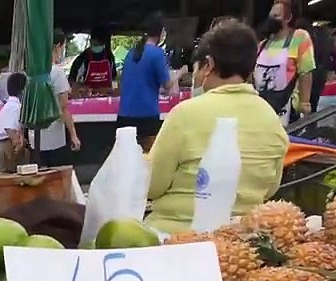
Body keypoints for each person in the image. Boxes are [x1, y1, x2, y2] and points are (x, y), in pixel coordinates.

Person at [145, 19, 288, 233]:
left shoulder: (186, 113)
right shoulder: (271, 119)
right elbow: (269, 189)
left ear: (209, 65)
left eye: (197, 68)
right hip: (245, 238)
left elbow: (153, 186)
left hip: (176, 235)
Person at [118, 15, 177, 151]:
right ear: (161, 33)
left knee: (126, 157)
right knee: (148, 157)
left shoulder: (131, 53)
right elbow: (167, 85)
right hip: (146, 115)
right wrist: (180, 73)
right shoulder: (157, 54)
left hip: (124, 115)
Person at [256, 0, 316, 121]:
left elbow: (306, 72)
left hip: (287, 109)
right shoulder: (263, 45)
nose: (271, 19)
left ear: (288, 18)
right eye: (270, 16)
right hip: (261, 108)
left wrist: (304, 104)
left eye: (276, 16)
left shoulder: (299, 37)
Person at [38, 29, 82, 167]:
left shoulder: (32, 72)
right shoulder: (56, 73)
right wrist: (73, 135)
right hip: (54, 140)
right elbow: (63, 109)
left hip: (36, 139)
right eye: (63, 47)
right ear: (57, 46)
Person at [0, 73, 28, 173]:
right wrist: (17, 143)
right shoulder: (15, 107)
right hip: (10, 146)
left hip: (6, 145)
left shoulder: (8, 106)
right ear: (23, 90)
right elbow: (9, 128)